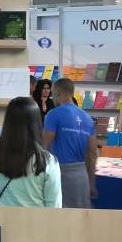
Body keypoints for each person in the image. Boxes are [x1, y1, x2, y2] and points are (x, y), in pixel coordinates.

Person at [0, 96, 62, 208]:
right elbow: (54, 208)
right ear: (36, 124)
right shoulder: (47, 161)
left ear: (7, 122)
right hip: (35, 219)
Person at [43, 78, 97, 208]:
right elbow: (92, 154)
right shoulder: (88, 118)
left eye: (53, 94)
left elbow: (43, 147)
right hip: (82, 176)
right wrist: (91, 183)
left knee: (61, 216)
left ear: (58, 93)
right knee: (80, 216)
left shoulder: (53, 115)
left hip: (62, 174)